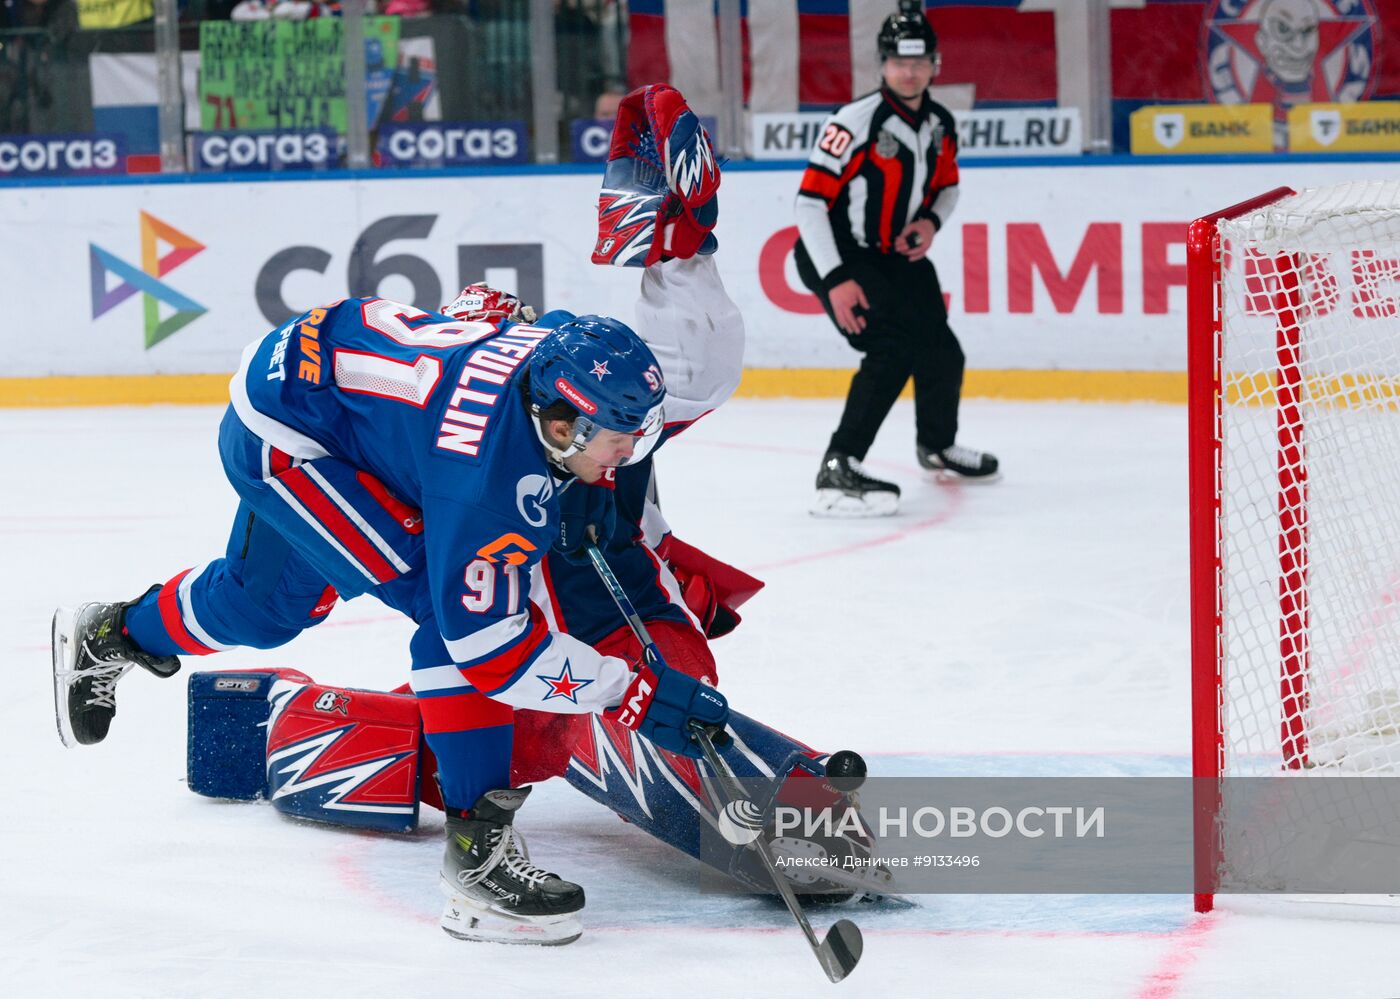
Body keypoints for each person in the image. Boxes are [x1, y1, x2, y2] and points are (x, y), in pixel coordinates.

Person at [50, 292, 730, 947]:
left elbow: (532, 322)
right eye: (617, 440)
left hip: (314, 388)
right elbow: (493, 654)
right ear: (561, 425)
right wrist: (630, 691)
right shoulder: (486, 481)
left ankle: (111, 633)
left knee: (264, 607)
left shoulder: (549, 359)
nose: (626, 456)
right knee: (449, 617)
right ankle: (477, 860)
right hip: (293, 443)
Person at [795, 0, 998, 518]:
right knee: (891, 349)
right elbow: (810, 204)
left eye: (919, 62)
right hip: (840, 256)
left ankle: (936, 445)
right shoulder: (854, 122)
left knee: (942, 352)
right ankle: (838, 465)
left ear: (935, 65)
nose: (909, 72)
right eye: (899, 62)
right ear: (883, 64)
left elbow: (948, 187)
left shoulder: (939, 123)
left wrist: (929, 222)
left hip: (896, 259)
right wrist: (836, 277)